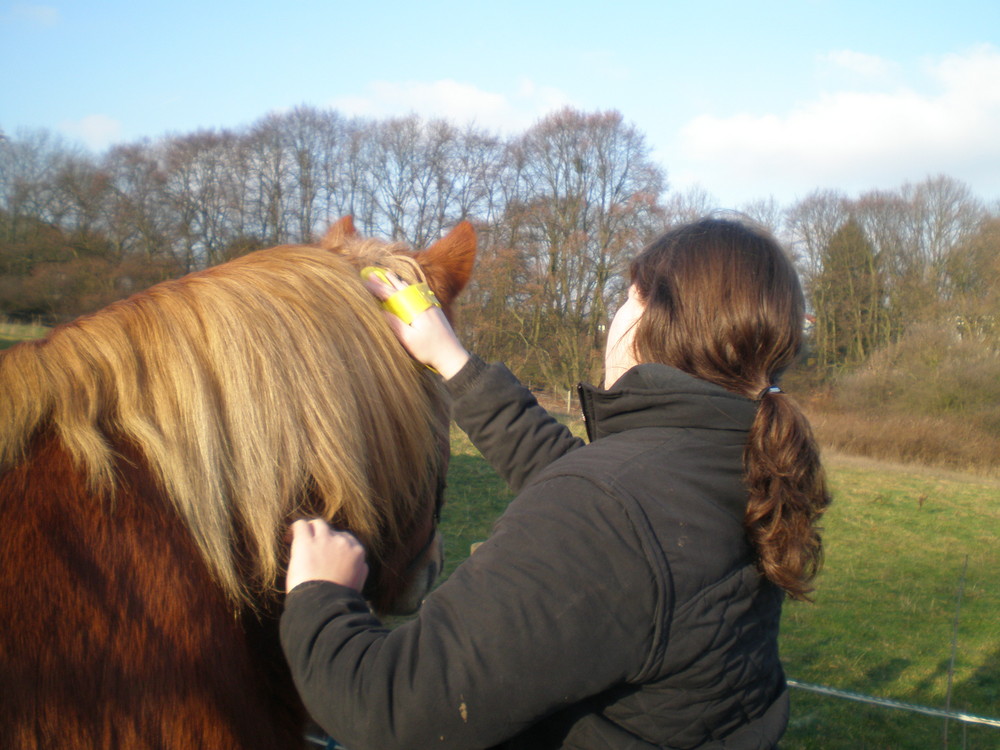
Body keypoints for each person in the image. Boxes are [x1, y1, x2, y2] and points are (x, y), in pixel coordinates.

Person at [280, 217, 831, 749]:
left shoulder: (610, 510)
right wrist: (453, 362)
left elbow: (389, 709)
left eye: (627, 299)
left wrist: (320, 596)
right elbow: (582, 489)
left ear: (650, 320)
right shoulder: (726, 457)